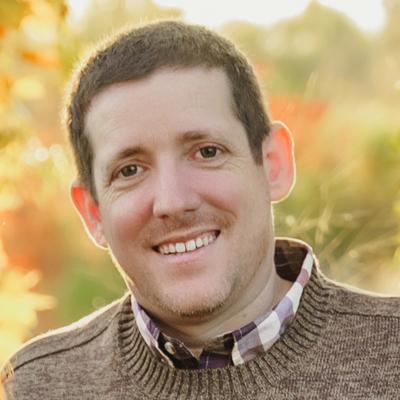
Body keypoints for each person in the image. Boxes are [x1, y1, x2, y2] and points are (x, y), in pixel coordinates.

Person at [1, 20, 399, 399]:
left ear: (273, 164)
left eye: (207, 152)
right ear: (93, 212)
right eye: (130, 170)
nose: (173, 202)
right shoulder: (36, 386)